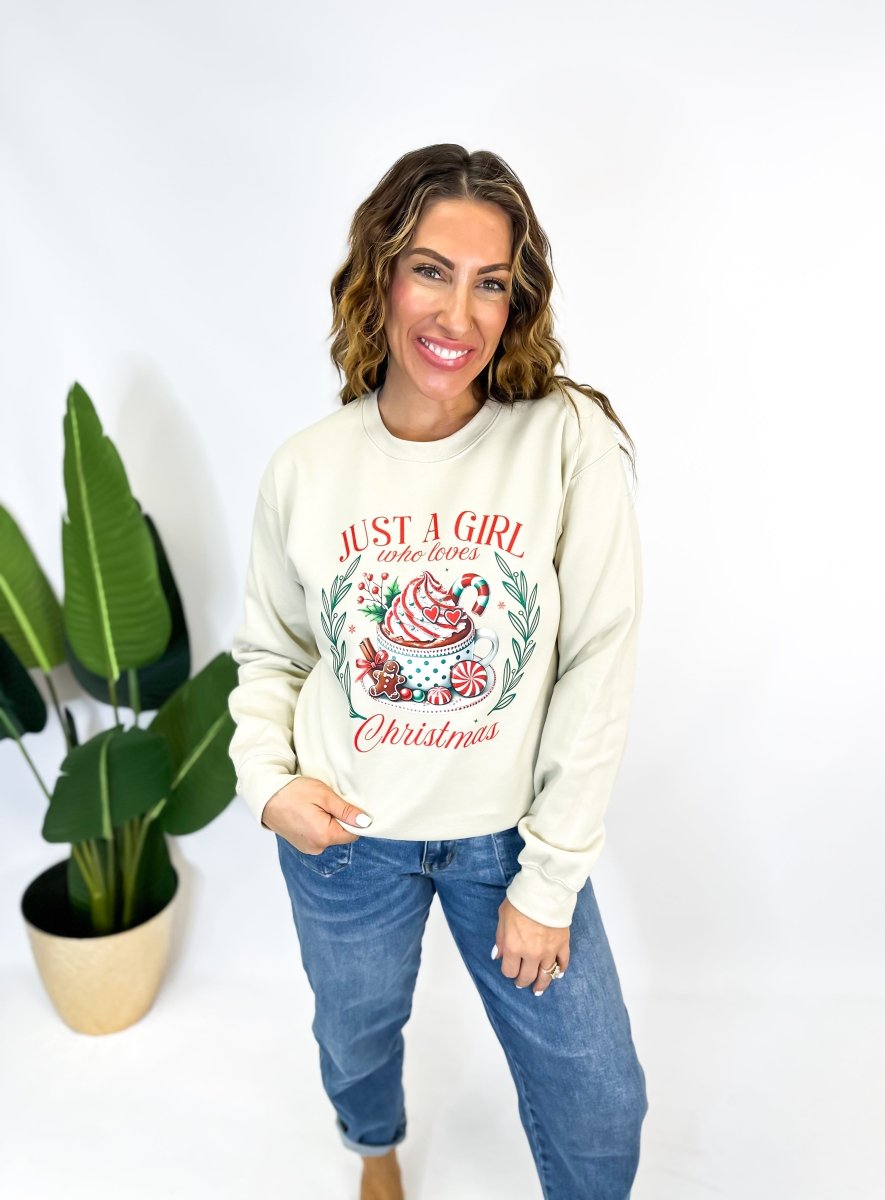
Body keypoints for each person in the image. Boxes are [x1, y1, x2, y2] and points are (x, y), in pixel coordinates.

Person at [227, 143, 648, 1200]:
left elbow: (598, 662)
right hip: (345, 843)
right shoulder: (306, 467)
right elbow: (272, 652)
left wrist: (547, 881)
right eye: (431, 270)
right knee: (355, 1035)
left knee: (601, 1101)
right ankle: (375, 1149)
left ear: (517, 301)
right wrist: (268, 784)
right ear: (379, 274)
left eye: (490, 282)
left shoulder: (565, 440)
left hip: (507, 843)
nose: (458, 314)